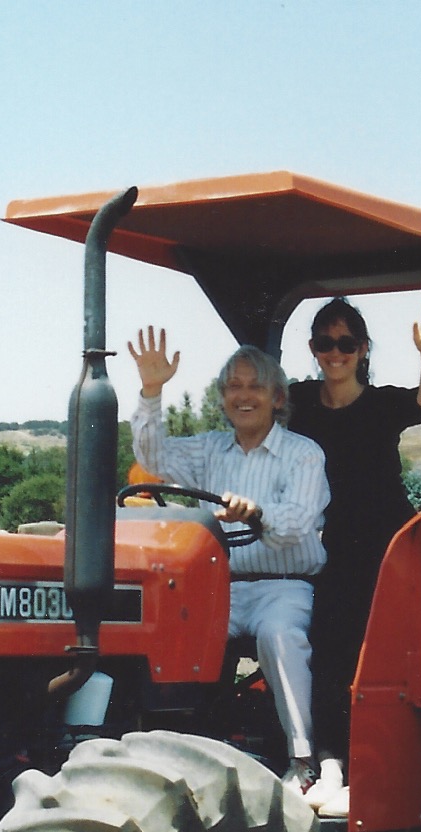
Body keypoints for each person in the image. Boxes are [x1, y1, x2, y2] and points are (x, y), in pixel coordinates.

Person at [129, 327, 330, 791]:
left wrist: (256, 512)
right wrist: (153, 391)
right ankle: (171, 750)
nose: (244, 396)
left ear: (277, 398)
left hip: (283, 584)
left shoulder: (302, 455)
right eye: (233, 387)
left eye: (255, 386)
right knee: (162, 633)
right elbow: (153, 455)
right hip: (219, 586)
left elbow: (298, 522)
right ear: (222, 398)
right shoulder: (208, 449)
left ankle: (302, 760)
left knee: (280, 636)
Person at [288, 294, 421, 815]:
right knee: (325, 647)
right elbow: (249, 406)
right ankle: (327, 763)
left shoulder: (380, 404)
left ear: (362, 350)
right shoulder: (299, 402)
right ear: (313, 349)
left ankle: (367, 766)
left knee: (366, 647)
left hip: (383, 543)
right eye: (324, 343)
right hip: (326, 542)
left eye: (345, 343)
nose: (335, 353)